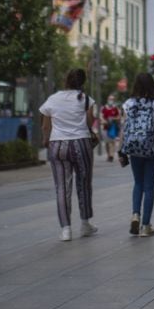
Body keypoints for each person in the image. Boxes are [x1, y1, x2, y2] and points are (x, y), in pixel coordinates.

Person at [39, 68, 98, 242]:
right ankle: (85, 224)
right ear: (83, 82)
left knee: (62, 187)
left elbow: (45, 126)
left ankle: (66, 229)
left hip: (58, 145)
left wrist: (46, 140)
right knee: (84, 183)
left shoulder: (53, 99)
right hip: (81, 143)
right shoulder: (86, 99)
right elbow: (89, 122)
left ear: (66, 80)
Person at [121, 73, 154, 236]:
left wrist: (121, 150)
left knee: (138, 183)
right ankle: (146, 226)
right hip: (152, 146)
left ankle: (135, 214)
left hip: (134, 147)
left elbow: (125, 128)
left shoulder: (128, 104)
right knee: (149, 186)